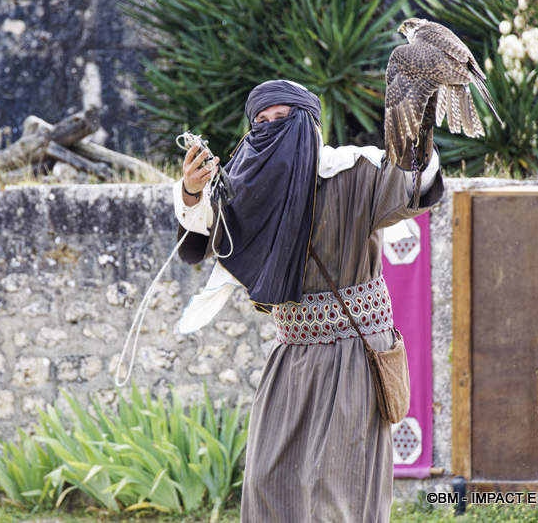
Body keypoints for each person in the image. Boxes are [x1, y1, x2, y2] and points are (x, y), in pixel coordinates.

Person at [172, 80, 443, 523]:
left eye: (284, 119)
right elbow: (200, 241)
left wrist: (415, 130)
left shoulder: (353, 172)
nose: (272, 129)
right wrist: (191, 190)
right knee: (267, 485)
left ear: (311, 125)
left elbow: (414, 183)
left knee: (335, 492)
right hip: (290, 358)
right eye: (262, 122)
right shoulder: (246, 191)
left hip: (352, 357)